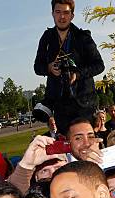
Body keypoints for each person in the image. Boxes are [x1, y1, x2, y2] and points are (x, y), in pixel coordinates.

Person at [34, 0, 105, 135]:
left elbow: (99, 65)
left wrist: (77, 74)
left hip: (84, 103)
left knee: (86, 145)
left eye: (66, 12)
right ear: (52, 14)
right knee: (66, 148)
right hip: (60, 105)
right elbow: (37, 67)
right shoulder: (47, 38)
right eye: (58, 12)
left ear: (72, 15)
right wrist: (49, 68)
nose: (62, 17)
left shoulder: (83, 37)